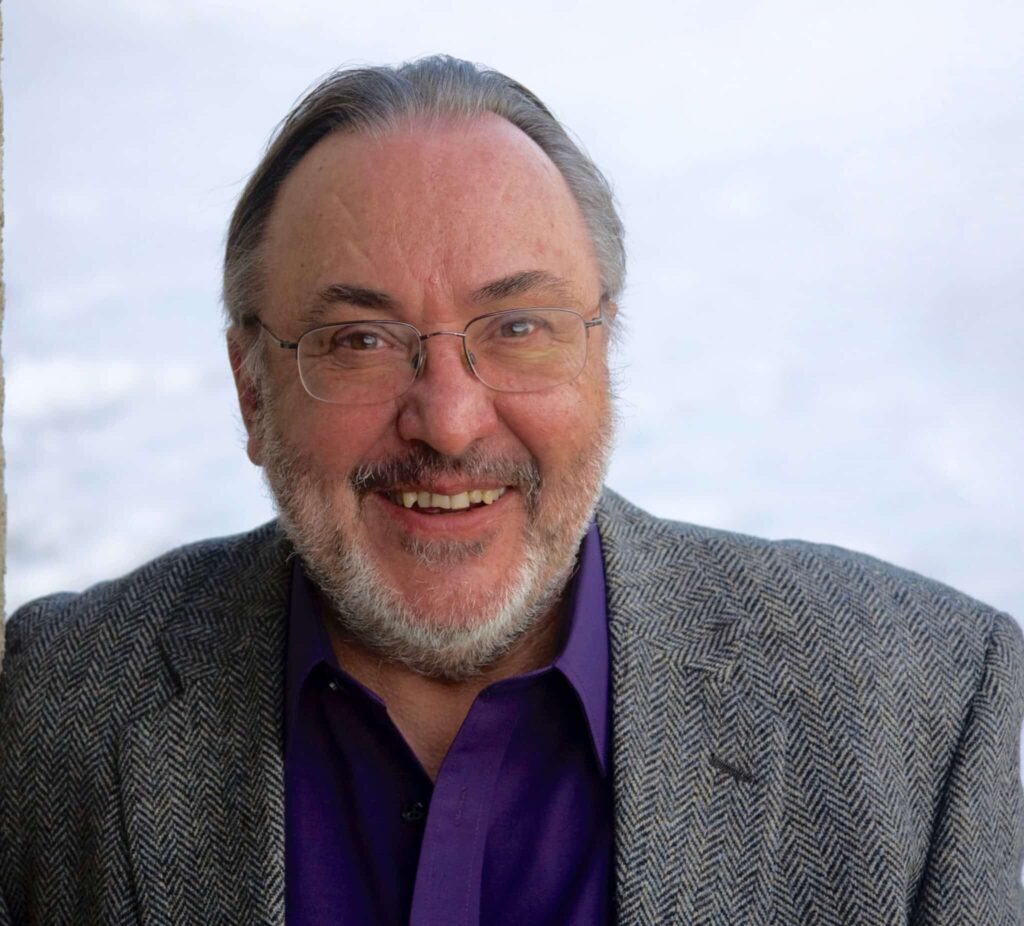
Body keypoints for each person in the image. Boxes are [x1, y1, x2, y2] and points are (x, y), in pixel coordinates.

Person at [0, 55, 1021, 926]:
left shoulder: (924, 705)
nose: (447, 420)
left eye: (517, 326)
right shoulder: (53, 708)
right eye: (359, 340)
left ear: (602, 349)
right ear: (251, 390)